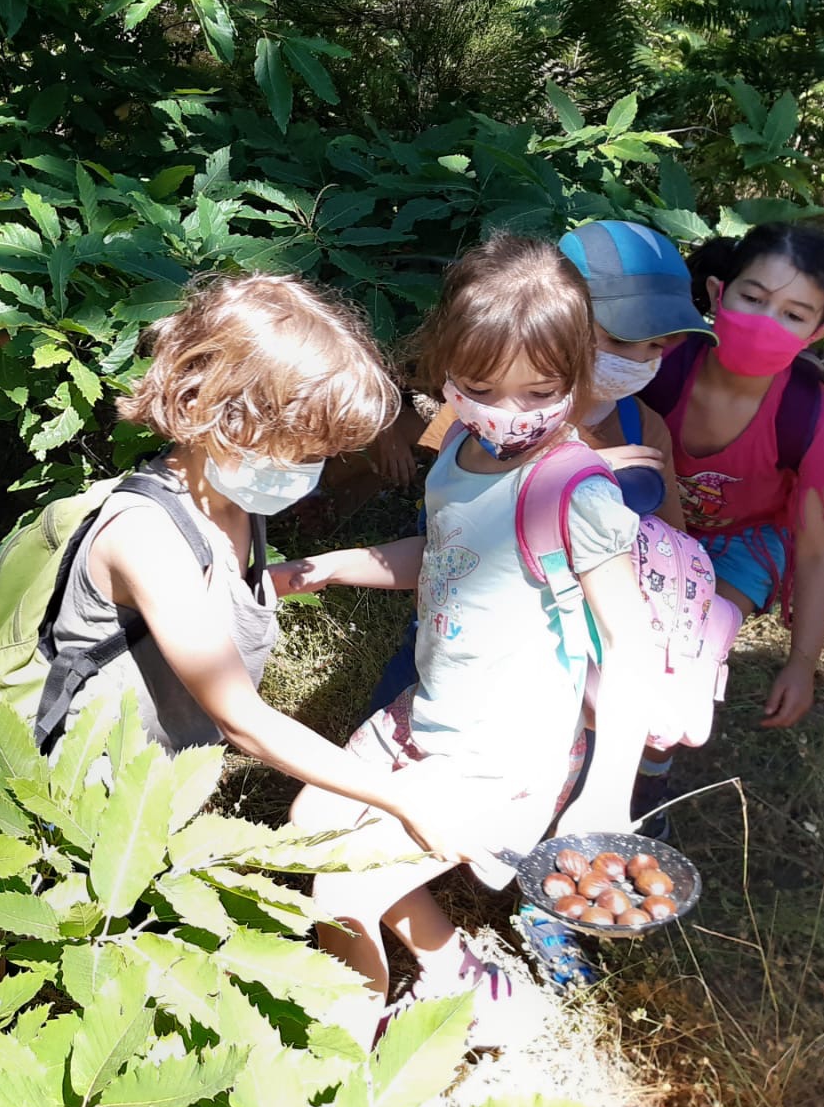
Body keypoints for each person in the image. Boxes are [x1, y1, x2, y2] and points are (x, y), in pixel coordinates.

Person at [275, 235, 661, 1048]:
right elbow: (451, 555)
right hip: (430, 716)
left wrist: (607, 792)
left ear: (579, 374)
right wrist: (324, 569)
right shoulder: (460, 447)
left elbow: (630, 644)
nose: (508, 414)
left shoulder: (573, 491)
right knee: (312, 821)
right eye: (481, 388)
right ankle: (465, 979)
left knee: (341, 891)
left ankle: (334, 1093)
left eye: (539, 392)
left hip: (502, 754)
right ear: (443, 365)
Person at [44, 275, 507, 853]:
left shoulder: (230, 495)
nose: (314, 469)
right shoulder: (148, 537)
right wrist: (397, 796)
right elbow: (244, 719)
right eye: (307, 450)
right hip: (92, 787)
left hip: (163, 761)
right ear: (214, 411)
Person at [362, 219, 712, 721]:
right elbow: (453, 519)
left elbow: (671, 543)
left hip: (556, 664)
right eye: (619, 339)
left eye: (656, 346)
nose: (638, 360)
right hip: (450, 631)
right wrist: (569, 473)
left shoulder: (643, 427)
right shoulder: (484, 412)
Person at [638, 224, 824, 735]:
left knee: (688, 644)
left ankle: (652, 776)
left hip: (742, 541)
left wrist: (801, 664)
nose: (767, 322)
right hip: (649, 513)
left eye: (792, 315)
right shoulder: (657, 364)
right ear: (718, 293)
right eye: (754, 297)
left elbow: (816, 550)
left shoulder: (810, 420)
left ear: (817, 335)